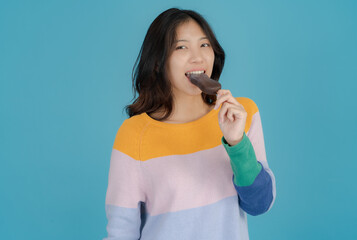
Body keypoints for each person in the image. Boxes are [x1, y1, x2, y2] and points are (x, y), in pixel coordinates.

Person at [103, 8, 276, 240]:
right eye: (181, 47)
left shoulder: (241, 115)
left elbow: (260, 205)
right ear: (157, 63)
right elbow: (121, 232)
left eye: (204, 45)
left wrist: (237, 143)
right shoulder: (134, 135)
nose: (198, 57)